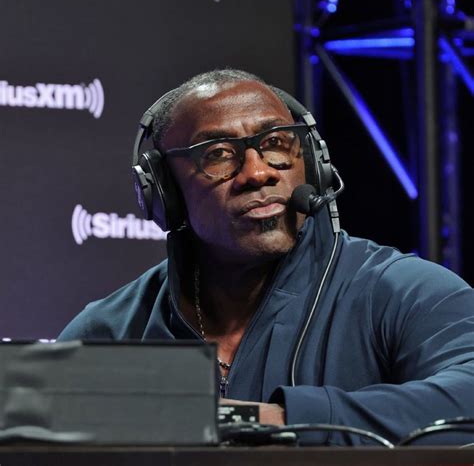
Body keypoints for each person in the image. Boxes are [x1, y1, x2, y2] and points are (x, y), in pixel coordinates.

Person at [58, 69, 474, 445]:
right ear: (164, 191)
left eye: (276, 143)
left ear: (311, 164)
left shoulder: (404, 290)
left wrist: (276, 419)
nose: (258, 173)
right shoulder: (109, 330)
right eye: (218, 153)